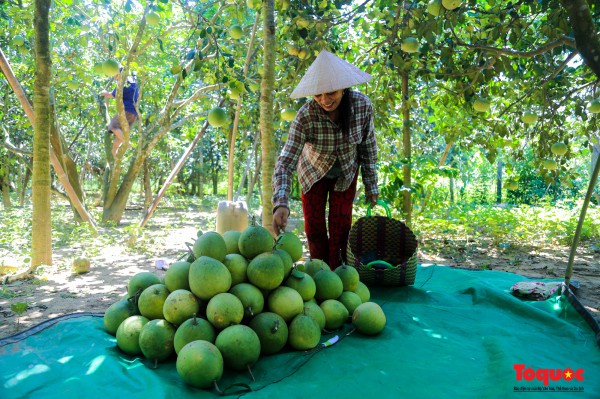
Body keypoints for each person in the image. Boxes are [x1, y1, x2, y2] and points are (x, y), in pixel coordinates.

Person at [272, 50, 379, 269]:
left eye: (330, 92)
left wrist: (371, 185)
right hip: (313, 174)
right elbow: (286, 161)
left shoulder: (362, 106)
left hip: (346, 173)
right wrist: (280, 202)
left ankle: (339, 274)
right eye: (318, 94)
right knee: (315, 230)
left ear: (344, 87)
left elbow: (368, 148)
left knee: (341, 231)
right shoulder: (305, 116)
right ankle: (319, 274)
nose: (324, 100)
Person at [100, 68, 139, 157]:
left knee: (113, 126)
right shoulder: (133, 82)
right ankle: (114, 157)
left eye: (116, 75)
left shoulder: (124, 83)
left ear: (121, 74)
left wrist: (104, 93)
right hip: (133, 114)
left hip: (127, 111)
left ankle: (126, 144)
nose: (115, 78)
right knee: (118, 136)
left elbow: (112, 95)